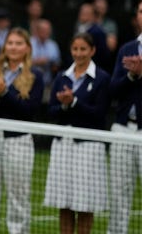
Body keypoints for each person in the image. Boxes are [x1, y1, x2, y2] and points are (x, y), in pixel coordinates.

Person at [0, 28, 44, 234]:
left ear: (27, 48)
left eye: (18, 43)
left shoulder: (35, 77)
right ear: (5, 47)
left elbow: (29, 111)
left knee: (18, 200)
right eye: (10, 43)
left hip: (18, 141)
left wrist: (5, 93)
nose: (13, 47)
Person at [43, 33, 110, 234]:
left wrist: (73, 102)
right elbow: (51, 111)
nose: (78, 53)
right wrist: (64, 106)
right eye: (75, 49)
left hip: (89, 147)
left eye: (83, 49)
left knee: (85, 203)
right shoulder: (62, 77)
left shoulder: (102, 78)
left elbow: (99, 114)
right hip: (63, 145)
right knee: (64, 201)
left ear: (92, 51)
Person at [107, 0, 142, 234]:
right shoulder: (127, 49)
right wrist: (131, 76)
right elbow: (113, 90)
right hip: (122, 128)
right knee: (119, 194)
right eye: (141, 11)